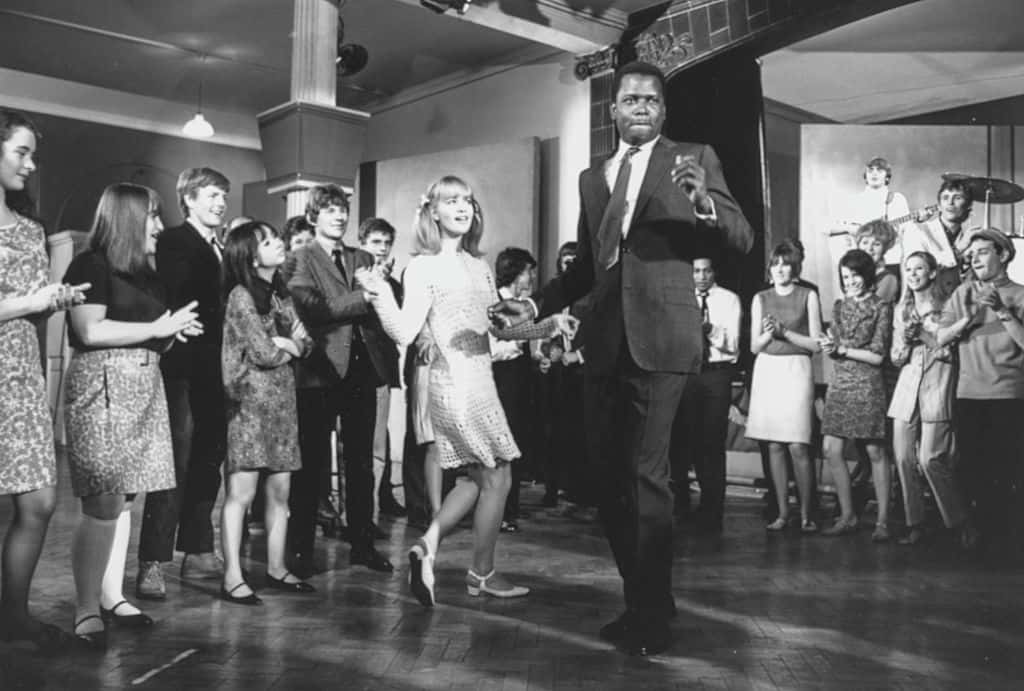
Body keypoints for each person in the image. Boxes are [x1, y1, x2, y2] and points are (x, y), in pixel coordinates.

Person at [489, 61, 753, 656]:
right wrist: (529, 305)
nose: (641, 107)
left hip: (664, 338)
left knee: (646, 473)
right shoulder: (593, 177)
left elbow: (742, 237)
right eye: (630, 99)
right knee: (605, 478)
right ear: (613, 109)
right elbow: (584, 268)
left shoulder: (693, 157)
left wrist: (705, 204)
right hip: (604, 342)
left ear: (664, 110)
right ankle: (641, 600)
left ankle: (655, 612)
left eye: (652, 101)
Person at [361, 175, 576, 609]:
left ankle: (427, 546)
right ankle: (481, 574)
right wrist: (380, 293)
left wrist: (550, 324)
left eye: (468, 200)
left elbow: (495, 334)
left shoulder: (479, 266)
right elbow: (404, 329)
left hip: (482, 380)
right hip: (454, 384)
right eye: (451, 200)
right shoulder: (422, 266)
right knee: (498, 475)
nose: (463, 207)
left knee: (477, 478)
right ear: (433, 212)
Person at [62, 183, 201, 647]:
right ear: (127, 218)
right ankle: (85, 608)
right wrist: (156, 327)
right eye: (153, 217)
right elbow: (90, 328)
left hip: (142, 385)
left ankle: (111, 594)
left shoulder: (145, 273)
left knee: (123, 500)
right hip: (102, 385)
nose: (160, 227)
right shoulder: (91, 263)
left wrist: (170, 332)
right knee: (102, 501)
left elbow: (147, 332)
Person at [0, 109, 87, 653]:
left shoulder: (31, 231)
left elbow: (32, 310)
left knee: (40, 503)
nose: (31, 165)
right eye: (21, 152)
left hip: (21, 378)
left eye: (33, 155)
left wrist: (54, 300)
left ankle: (13, 616)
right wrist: (31, 300)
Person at [286, 184, 395, 573]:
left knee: (361, 463)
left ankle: (362, 544)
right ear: (314, 216)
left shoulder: (362, 255)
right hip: (319, 370)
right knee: (311, 465)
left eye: (342, 209)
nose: (339, 216)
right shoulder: (299, 258)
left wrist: (377, 294)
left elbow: (379, 307)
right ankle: (300, 551)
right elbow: (315, 310)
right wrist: (363, 297)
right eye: (330, 209)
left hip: (362, 370)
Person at [137, 167, 230, 599]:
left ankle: (198, 551)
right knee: (176, 460)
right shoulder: (176, 239)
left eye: (223, 196)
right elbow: (174, 296)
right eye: (212, 195)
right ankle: (153, 563)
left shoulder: (223, 246)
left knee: (209, 460)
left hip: (217, 371)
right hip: (184, 370)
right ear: (189, 199)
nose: (220, 203)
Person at [218, 221, 314, 604]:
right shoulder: (241, 295)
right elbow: (263, 351)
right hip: (249, 402)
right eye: (269, 241)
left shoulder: (281, 294)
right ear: (249, 254)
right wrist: (290, 346)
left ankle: (276, 568)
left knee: (280, 489)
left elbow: (305, 343)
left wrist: (291, 345)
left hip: (281, 400)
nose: (279, 245)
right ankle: (231, 576)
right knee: (241, 492)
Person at [938, 229, 1024, 557]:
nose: (974, 259)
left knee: (1006, 469)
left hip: (1008, 394)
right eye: (971, 254)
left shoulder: (1019, 294)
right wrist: (966, 320)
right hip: (969, 393)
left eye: (983, 252)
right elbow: (941, 338)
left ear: (1002, 255)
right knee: (970, 469)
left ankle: (1005, 538)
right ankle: (979, 533)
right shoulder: (963, 293)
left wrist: (1002, 311)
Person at [888, 251, 973, 547]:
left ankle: (959, 521)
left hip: (937, 385)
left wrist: (923, 336)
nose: (912, 275)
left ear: (933, 273)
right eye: (908, 269)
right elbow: (896, 358)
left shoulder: (949, 306)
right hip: (907, 388)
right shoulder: (902, 310)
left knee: (930, 459)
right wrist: (905, 343)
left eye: (919, 269)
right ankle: (916, 523)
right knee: (902, 457)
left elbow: (949, 352)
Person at [745, 243, 823, 533]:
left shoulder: (808, 295)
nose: (779, 269)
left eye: (786, 264)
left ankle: (807, 514)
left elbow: (816, 344)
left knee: (798, 446)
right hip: (768, 370)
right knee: (774, 445)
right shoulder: (760, 298)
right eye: (775, 264)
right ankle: (781, 512)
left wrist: (785, 332)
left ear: (795, 267)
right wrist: (768, 335)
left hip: (796, 370)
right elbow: (754, 346)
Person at [818, 249, 894, 540]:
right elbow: (834, 344)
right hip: (841, 382)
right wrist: (829, 346)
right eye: (845, 276)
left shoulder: (880, 306)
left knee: (875, 451)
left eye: (855, 275)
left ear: (867, 275)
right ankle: (848, 516)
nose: (850, 281)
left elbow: (877, 356)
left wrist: (842, 350)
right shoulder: (839, 306)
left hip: (868, 382)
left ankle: (883, 522)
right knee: (831, 450)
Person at [669, 255, 742, 534]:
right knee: (680, 441)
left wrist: (709, 329)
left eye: (706, 270)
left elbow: (733, 345)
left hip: (716, 374)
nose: (701, 276)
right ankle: (681, 505)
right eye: (696, 271)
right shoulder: (678, 300)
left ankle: (712, 511)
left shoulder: (729, 299)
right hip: (685, 373)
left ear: (714, 272)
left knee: (711, 443)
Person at [358, 217, 406, 520]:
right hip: (354, 369)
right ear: (363, 244)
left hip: (380, 369)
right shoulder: (352, 278)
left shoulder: (395, 284)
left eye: (387, 243)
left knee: (378, 441)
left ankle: (374, 510)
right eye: (376, 242)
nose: (382, 249)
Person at [491, 247, 538, 534]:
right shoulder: (494, 303)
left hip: (520, 376)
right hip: (500, 376)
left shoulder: (525, 304)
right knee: (500, 445)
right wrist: (516, 342)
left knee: (516, 443)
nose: (531, 277)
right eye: (527, 271)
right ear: (513, 274)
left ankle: (510, 510)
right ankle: (498, 511)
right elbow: (492, 348)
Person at [901, 179, 975, 291]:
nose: (950, 203)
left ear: (968, 206)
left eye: (957, 198)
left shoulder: (969, 237)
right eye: (945, 198)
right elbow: (920, 271)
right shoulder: (917, 230)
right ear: (939, 206)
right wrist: (959, 249)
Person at [838, 157, 911, 267]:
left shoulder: (897, 199)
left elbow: (907, 232)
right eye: (870, 170)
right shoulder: (854, 201)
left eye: (880, 170)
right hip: (861, 263)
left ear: (887, 177)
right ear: (865, 176)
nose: (874, 174)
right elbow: (838, 230)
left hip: (891, 261)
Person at [855, 220, 900, 303]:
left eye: (876, 244)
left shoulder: (889, 279)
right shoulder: (855, 274)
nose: (869, 248)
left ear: (885, 248)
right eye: (865, 243)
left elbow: (869, 311)